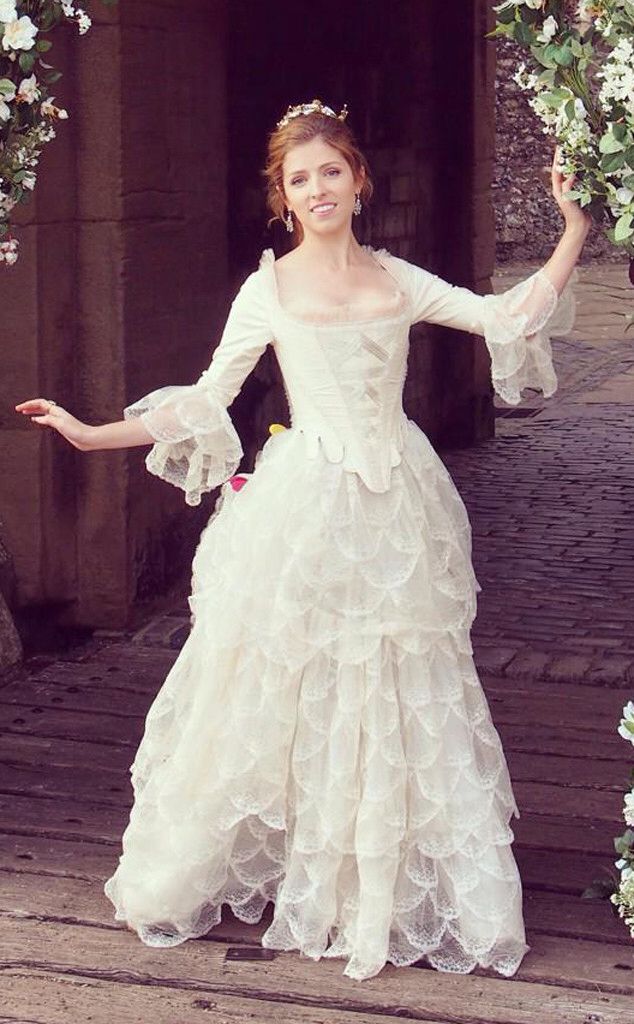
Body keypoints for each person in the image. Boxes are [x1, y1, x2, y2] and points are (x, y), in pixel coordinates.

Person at [15, 97, 590, 982]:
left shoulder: (398, 281)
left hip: (397, 509)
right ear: (282, 198)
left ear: (358, 180)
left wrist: (572, 231)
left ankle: (377, 887)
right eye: (298, 179)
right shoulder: (268, 289)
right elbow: (210, 397)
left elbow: (503, 317)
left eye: (331, 172)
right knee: (277, 678)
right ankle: (273, 866)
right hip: (303, 507)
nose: (317, 189)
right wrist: (94, 434)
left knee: (396, 679)